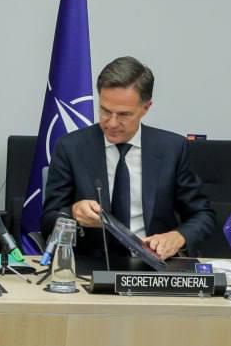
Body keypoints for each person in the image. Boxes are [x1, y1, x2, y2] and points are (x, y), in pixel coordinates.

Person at [42, 56, 215, 260]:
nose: (112, 123)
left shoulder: (172, 149)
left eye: (123, 114)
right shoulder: (71, 148)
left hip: (153, 264)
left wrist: (178, 237)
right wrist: (73, 213)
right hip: (91, 265)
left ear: (146, 108)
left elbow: (203, 215)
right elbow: (48, 221)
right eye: (105, 111)